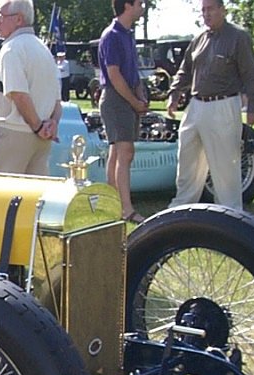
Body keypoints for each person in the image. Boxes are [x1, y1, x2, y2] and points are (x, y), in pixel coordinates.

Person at [165, 0, 254, 211]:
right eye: (203, 10)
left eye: (210, 9)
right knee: (187, 159)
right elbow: (185, 70)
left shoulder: (238, 37)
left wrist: (253, 106)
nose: (206, 14)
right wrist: (174, 94)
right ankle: (182, 208)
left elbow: (250, 73)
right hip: (196, 105)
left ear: (222, 10)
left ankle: (230, 212)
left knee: (225, 166)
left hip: (223, 105)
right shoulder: (199, 39)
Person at [0, 0, 62, 176]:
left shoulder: (12, 49)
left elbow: (19, 95)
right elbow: (57, 100)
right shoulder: (44, 50)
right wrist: (51, 124)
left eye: (0, 17)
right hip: (43, 138)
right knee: (34, 198)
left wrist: (37, 127)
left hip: (14, 135)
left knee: (2, 196)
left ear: (18, 19)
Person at [98, 0, 149, 224]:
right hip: (115, 98)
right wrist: (134, 102)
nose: (143, 6)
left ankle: (113, 205)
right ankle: (126, 210)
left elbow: (133, 73)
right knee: (125, 151)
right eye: (140, 3)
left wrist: (141, 96)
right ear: (127, 5)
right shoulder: (111, 35)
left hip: (126, 98)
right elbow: (114, 75)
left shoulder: (128, 35)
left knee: (117, 153)